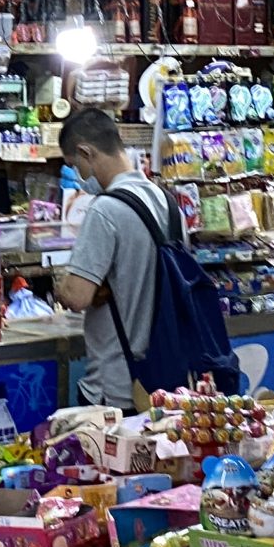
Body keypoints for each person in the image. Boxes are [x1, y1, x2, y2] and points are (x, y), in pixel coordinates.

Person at [53, 107, 173, 410]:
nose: (78, 177)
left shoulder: (105, 210)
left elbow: (77, 296)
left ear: (86, 152)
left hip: (117, 388)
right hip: (167, 380)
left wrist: (61, 286)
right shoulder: (167, 202)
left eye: (75, 165)